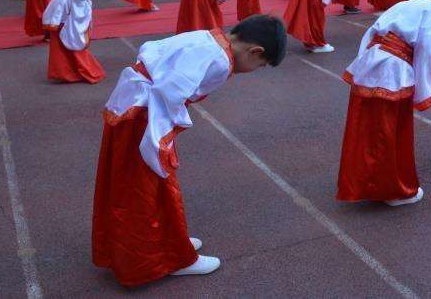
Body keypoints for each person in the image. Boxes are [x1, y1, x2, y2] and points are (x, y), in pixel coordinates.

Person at [93, 15, 286, 286]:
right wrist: (170, 130)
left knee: (144, 183)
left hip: (131, 106)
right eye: (260, 65)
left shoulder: (208, 37)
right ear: (255, 51)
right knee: (147, 186)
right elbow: (171, 92)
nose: (255, 69)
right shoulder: (220, 61)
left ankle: (170, 239)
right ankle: (167, 258)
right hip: (144, 116)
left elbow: (151, 50)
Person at [337, 0, 431, 206]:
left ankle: (365, 182)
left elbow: (371, 32)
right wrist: (424, 92)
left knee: (366, 127)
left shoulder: (407, 5)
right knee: (389, 131)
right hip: (394, 71)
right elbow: (430, 53)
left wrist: (361, 64)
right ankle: (392, 190)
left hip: (372, 62)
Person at [42, 0, 128, 83]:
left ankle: (68, 71)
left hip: (72, 5)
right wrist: (79, 23)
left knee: (67, 38)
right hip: (69, 8)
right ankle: (68, 71)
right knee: (72, 37)